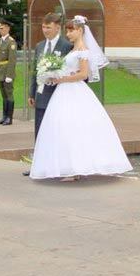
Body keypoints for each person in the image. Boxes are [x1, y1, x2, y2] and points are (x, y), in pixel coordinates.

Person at [29, 15, 133, 181]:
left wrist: (61, 78)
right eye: (68, 31)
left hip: (73, 90)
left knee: (73, 127)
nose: (69, 34)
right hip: (63, 91)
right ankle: (69, 166)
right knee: (64, 129)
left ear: (81, 31)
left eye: (72, 30)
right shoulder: (73, 49)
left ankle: (75, 168)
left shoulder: (83, 50)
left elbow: (83, 74)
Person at [22, 13, 73, 176]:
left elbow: (70, 70)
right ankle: (38, 166)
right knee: (40, 130)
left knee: (56, 131)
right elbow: (35, 71)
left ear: (57, 27)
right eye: (43, 27)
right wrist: (31, 92)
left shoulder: (66, 46)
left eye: (48, 27)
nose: (45, 30)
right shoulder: (39, 46)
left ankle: (57, 166)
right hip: (41, 95)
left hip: (58, 95)